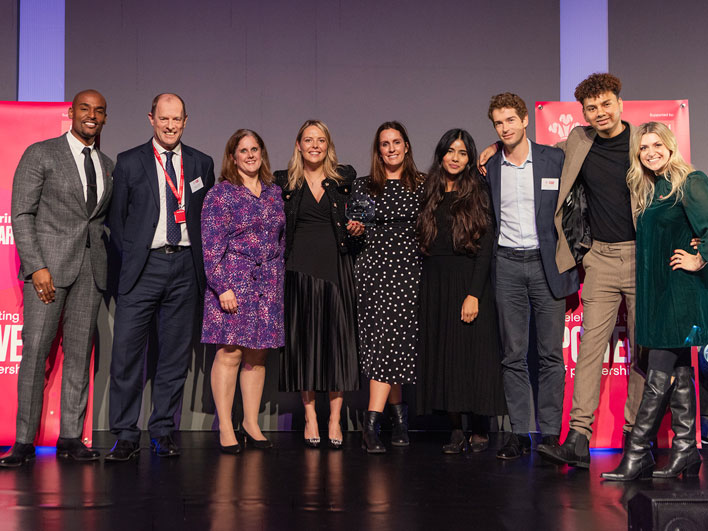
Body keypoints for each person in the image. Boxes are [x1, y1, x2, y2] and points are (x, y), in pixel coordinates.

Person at [525, 73, 645, 468]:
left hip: (643, 257)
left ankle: (634, 439)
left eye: (605, 104)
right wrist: (496, 148)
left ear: (620, 103)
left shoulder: (643, 140)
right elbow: (539, 154)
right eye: (591, 108)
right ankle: (578, 439)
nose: (600, 113)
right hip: (601, 259)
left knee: (642, 351)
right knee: (590, 351)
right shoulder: (579, 140)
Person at [1, 90, 112, 467]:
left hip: (90, 272)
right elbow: (22, 213)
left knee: (80, 356)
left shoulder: (107, 164)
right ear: (71, 113)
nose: (91, 116)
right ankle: (23, 442)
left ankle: (70, 437)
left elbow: (95, 221)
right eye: (85, 109)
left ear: (105, 118)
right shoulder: (41, 153)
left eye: (99, 111)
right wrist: (36, 266)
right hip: (47, 271)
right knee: (35, 354)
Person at [106, 93, 215, 461]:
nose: (170, 126)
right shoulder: (129, 162)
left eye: (177, 119)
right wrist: (134, 260)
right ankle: (124, 433)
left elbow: (206, 223)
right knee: (126, 357)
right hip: (142, 270)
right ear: (151, 119)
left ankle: (163, 431)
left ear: (186, 121)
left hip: (185, 269)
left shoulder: (201, 163)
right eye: (164, 119)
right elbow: (116, 223)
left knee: (172, 358)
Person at [601, 122, 706, 480]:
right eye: (643, 148)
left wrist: (700, 256)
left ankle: (636, 454)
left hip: (680, 294)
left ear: (670, 145)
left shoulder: (690, 182)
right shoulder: (656, 189)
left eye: (656, 145)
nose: (650, 153)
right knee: (679, 371)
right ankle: (686, 450)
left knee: (657, 372)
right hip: (659, 296)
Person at [483, 94, 579, 460]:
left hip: (546, 264)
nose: (505, 128)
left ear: (525, 120)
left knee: (551, 355)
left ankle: (552, 434)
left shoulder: (554, 158)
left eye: (510, 120)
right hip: (506, 264)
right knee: (513, 355)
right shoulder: (491, 167)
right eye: (498, 123)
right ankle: (520, 433)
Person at [416, 128, 506, 454]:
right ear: (441, 154)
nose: (455, 158)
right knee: (445, 356)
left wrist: (474, 294)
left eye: (462, 152)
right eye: (450, 151)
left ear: (470, 158)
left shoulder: (479, 191)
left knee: (475, 354)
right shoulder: (429, 190)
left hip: (469, 278)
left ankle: (480, 426)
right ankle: (455, 428)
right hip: (435, 282)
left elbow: (485, 248)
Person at [275, 120, 361, 449]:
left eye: (320, 140)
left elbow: (360, 214)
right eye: (308, 140)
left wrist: (358, 227)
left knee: (337, 347)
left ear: (328, 145)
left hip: (336, 268)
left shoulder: (344, 178)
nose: (314, 145)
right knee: (304, 347)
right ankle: (310, 416)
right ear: (298, 145)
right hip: (298, 270)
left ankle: (335, 419)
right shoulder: (283, 181)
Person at [202, 129, 285, 453]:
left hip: (267, 287)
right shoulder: (220, 194)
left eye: (255, 149)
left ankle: (251, 423)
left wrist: (278, 283)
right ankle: (226, 426)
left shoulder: (274, 193)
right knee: (231, 353)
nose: (250, 155)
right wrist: (222, 287)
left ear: (262, 153)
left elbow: (281, 241)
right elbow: (210, 247)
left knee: (257, 355)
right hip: (233, 283)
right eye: (243, 150)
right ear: (232, 156)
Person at [355, 121, 424, 454]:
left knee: (395, 344)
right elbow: (350, 229)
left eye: (397, 142)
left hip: (409, 273)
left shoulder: (424, 185)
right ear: (378, 149)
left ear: (407, 146)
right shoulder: (364, 187)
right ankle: (388, 422)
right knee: (383, 345)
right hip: (373, 273)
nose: (392, 148)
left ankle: (381, 423)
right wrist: (354, 229)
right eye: (385, 144)